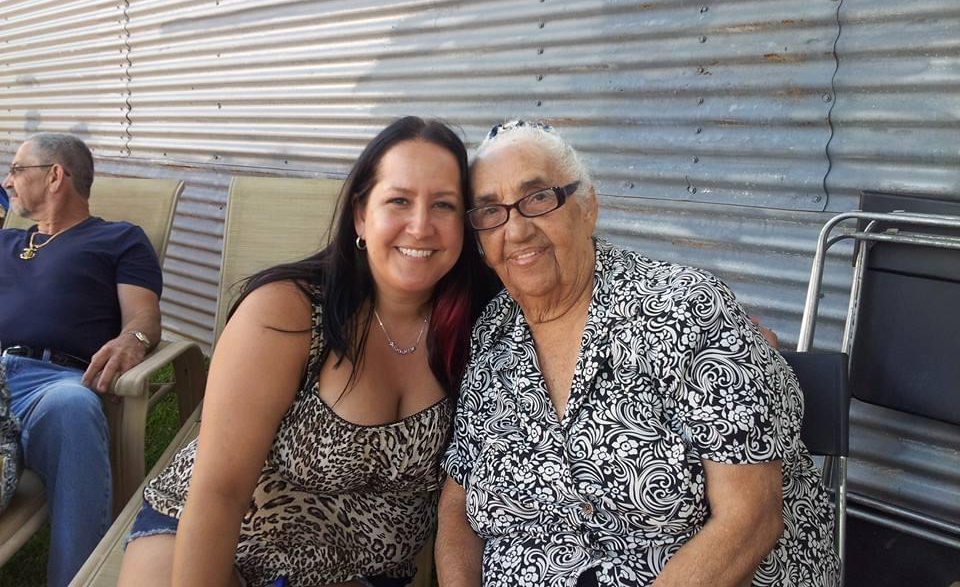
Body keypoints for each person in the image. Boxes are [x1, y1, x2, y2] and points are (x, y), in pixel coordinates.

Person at [436, 120, 839, 587]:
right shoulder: (492, 336)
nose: (517, 229)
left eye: (538, 198)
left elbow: (749, 522)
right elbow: (457, 504)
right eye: (490, 211)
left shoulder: (686, 309)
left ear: (588, 207)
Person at [119, 117, 493, 587]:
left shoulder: (480, 324)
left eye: (443, 205)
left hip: (362, 570)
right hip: (220, 537)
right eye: (399, 200)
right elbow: (219, 493)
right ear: (361, 215)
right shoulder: (287, 312)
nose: (420, 226)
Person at [1, 133, 163, 587]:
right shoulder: (7, 241)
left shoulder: (119, 239)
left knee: (74, 409)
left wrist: (133, 338)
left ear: (55, 176)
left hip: (53, 382)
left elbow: (143, 316)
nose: (7, 182)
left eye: (16, 170)